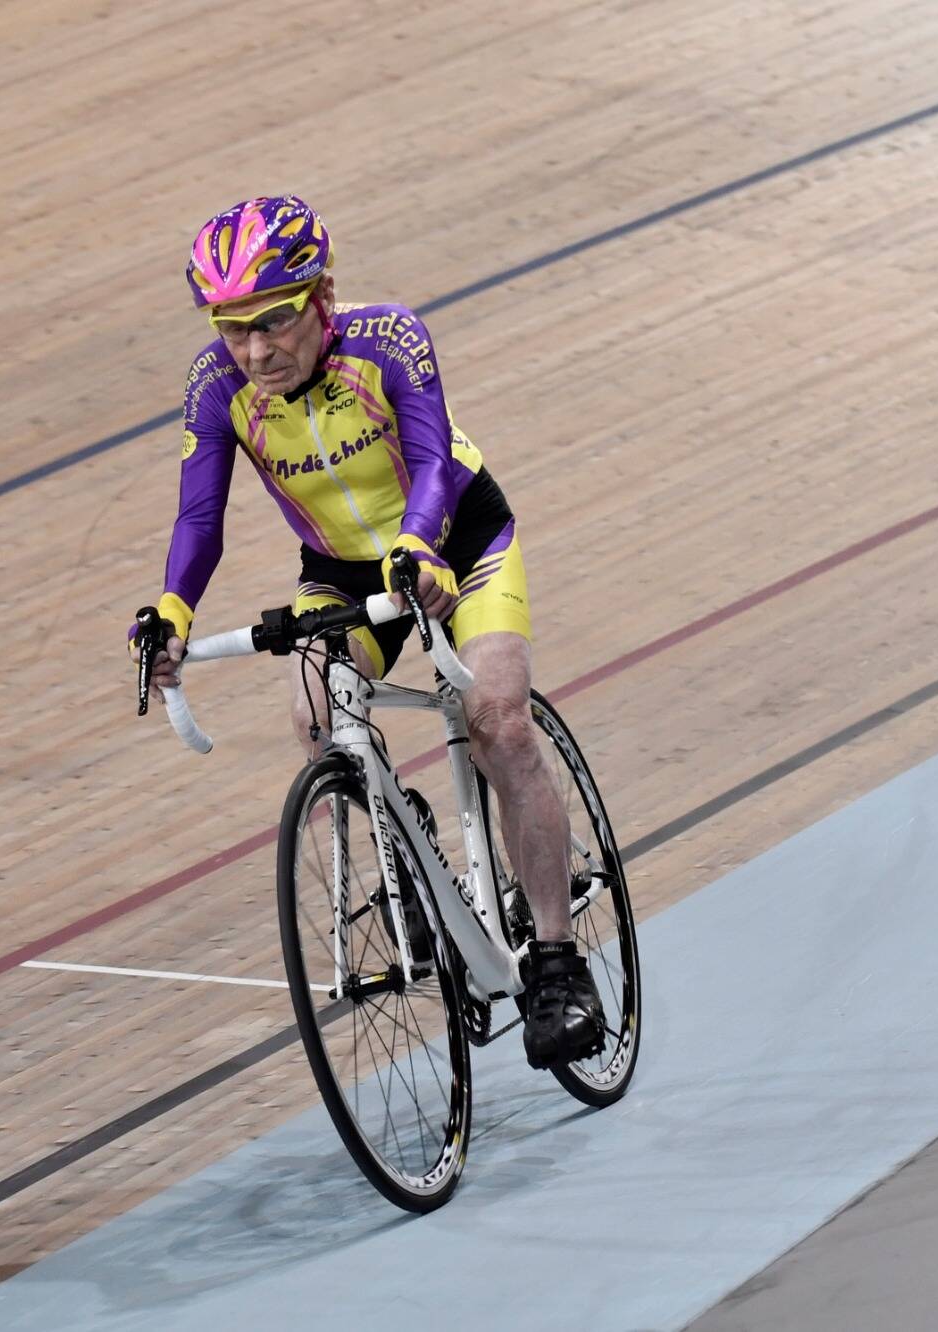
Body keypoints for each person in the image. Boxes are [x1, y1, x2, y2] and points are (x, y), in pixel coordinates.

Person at [132, 195, 602, 1068]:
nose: (257, 351)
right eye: (233, 329)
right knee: (316, 723)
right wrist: (172, 611)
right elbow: (200, 517)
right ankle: (410, 842)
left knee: (499, 718)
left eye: (273, 323)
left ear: (320, 298)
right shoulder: (218, 387)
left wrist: (422, 544)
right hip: (343, 571)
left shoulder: (386, 340)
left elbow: (429, 458)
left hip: (454, 537)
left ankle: (556, 961)